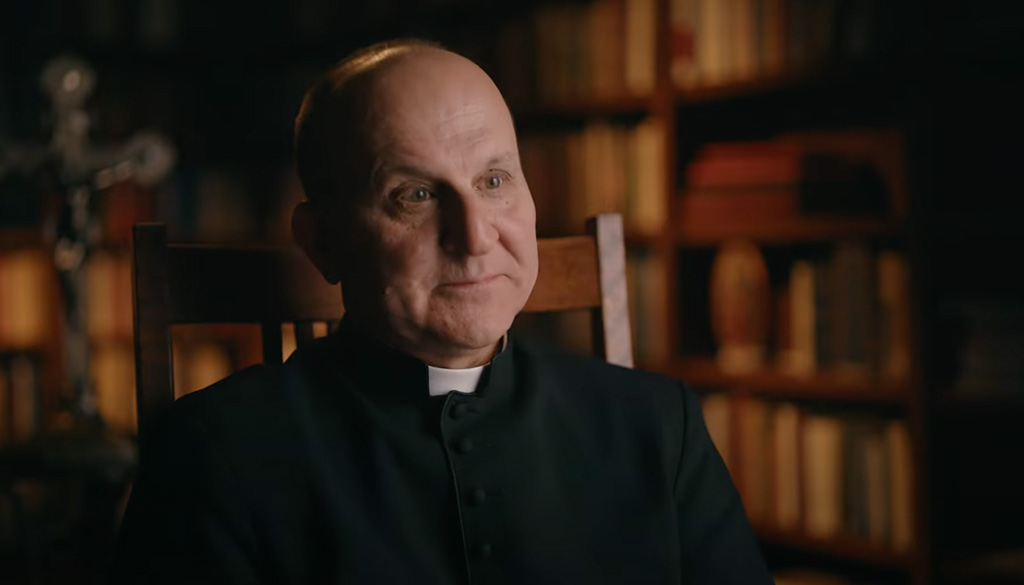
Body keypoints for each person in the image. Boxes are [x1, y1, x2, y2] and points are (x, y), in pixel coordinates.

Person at [108, 39, 772, 584]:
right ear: (323, 242)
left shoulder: (659, 423)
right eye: (417, 194)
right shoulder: (212, 454)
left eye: (493, 180)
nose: (476, 235)